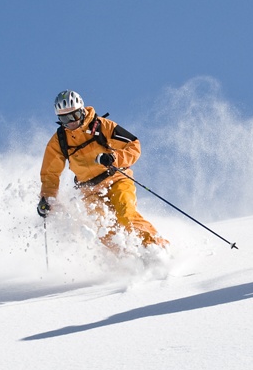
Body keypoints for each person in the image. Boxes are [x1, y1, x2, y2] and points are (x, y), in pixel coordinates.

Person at [37, 90, 167, 250]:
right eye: (65, 118)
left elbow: (133, 144)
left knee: (125, 215)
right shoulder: (59, 141)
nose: (71, 122)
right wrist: (47, 199)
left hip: (116, 180)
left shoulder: (102, 126)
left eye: (75, 116)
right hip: (89, 191)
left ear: (82, 110)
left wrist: (114, 158)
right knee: (101, 227)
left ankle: (157, 248)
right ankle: (127, 261)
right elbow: (51, 173)